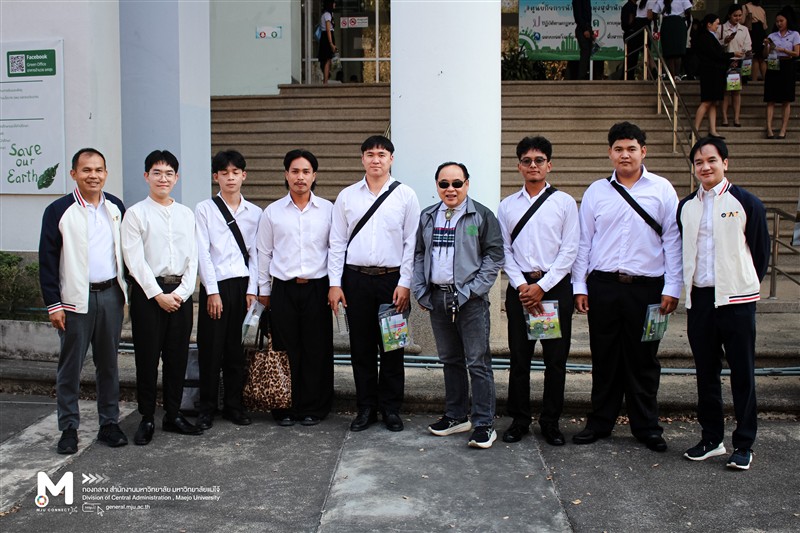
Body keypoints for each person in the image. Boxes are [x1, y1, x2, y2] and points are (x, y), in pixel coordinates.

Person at [571, 122, 682, 452]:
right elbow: (583, 242)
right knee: (604, 357)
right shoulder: (596, 191)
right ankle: (600, 422)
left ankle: (646, 426)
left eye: (632, 149)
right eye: (618, 149)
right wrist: (580, 286)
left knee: (643, 359)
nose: (625, 155)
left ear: (643, 151)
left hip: (648, 289)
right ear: (610, 153)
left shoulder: (662, 189)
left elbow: (673, 241)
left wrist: (673, 287)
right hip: (604, 286)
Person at [677, 137, 769, 470]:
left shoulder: (746, 202)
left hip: (737, 300)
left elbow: (760, 253)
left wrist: (741, 283)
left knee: (742, 372)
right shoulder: (686, 206)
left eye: (711, 160)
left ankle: (744, 443)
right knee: (706, 372)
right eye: (699, 162)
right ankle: (712, 438)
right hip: (700, 299)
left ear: (725, 163)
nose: (705, 167)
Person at [328, 135, 421, 433]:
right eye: (370, 154)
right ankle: (366, 407)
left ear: (391, 159)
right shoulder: (347, 196)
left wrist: (405, 283)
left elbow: (411, 243)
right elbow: (337, 242)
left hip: (391, 281)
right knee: (362, 347)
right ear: (362, 159)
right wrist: (335, 283)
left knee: (393, 347)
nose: (376, 159)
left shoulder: (405, 195)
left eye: (382, 154)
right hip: (355, 280)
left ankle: (391, 408)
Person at [39, 148, 129, 454]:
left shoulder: (115, 207)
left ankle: (109, 423)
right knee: (70, 366)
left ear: (106, 173)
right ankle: (68, 428)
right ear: (74, 174)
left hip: (111, 295)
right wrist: (53, 304)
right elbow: (47, 260)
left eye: (99, 170)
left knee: (109, 364)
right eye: (86, 170)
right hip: (74, 300)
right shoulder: (59, 210)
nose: (93, 175)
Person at [414, 162, 504, 449]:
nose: (450, 189)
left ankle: (484, 423)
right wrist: (421, 290)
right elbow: (419, 254)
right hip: (438, 297)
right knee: (450, 360)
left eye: (456, 183)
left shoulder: (481, 215)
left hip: (470, 300)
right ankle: (456, 416)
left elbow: (494, 256)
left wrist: (473, 290)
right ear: (437, 186)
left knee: (477, 362)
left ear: (467, 184)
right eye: (444, 184)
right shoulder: (428, 216)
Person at [497, 136, 579, 447]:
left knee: (555, 361)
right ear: (519, 166)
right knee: (520, 359)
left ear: (549, 165)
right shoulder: (507, 206)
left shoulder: (564, 203)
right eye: (527, 161)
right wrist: (523, 286)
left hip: (554, 289)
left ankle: (550, 421)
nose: (533, 165)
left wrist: (542, 287)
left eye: (539, 160)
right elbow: (504, 250)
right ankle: (519, 419)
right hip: (520, 290)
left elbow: (570, 250)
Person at [121, 150, 201, 445]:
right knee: (147, 358)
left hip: (180, 295)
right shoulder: (135, 214)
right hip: (148, 295)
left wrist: (181, 293)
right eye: (157, 173)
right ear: (147, 176)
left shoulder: (186, 214)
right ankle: (146, 417)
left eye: (169, 173)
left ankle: (173, 414)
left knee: (177, 358)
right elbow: (134, 260)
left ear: (176, 178)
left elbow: (193, 258)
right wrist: (158, 295)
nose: (163, 178)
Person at [257, 149, 334, 427]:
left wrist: (335, 285)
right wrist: (263, 291)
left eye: (305, 172)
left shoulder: (328, 210)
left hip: (318, 288)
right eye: (295, 171)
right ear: (286, 175)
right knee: (285, 349)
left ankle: (314, 407)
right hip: (283, 290)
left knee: (316, 348)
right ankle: (284, 407)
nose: (300, 177)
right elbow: (263, 253)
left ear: (314, 176)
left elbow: (336, 249)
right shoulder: (272, 212)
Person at [194, 150, 260, 430]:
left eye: (235, 172)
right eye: (224, 173)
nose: (230, 178)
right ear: (216, 177)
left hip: (243, 286)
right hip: (216, 285)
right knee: (211, 349)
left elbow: (257, 255)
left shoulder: (255, 213)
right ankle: (207, 407)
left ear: (244, 175)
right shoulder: (204, 209)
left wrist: (253, 289)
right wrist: (212, 291)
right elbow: (203, 253)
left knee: (236, 349)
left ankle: (235, 405)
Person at [693, 14, 734, 139]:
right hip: (709, 73)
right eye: (716, 23)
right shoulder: (705, 37)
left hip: (714, 73)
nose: (718, 26)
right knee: (706, 102)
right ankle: (695, 129)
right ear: (709, 24)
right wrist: (732, 55)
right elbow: (715, 55)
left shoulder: (711, 36)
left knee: (713, 102)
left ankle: (713, 130)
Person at [762, 8, 800, 139]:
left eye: (781, 21)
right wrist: (766, 46)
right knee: (770, 99)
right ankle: (769, 129)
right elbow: (764, 55)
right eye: (777, 21)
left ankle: (783, 129)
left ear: (787, 21)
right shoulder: (772, 35)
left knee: (786, 99)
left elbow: (797, 53)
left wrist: (784, 50)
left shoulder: (794, 34)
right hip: (773, 64)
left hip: (787, 65)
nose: (779, 23)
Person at [718, 4, 752, 128]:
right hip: (726, 61)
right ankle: (725, 117)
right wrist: (725, 41)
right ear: (729, 15)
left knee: (736, 91)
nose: (737, 18)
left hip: (738, 61)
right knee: (726, 91)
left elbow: (748, 46)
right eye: (735, 15)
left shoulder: (744, 29)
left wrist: (743, 54)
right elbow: (716, 46)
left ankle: (736, 118)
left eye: (739, 15)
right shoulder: (721, 28)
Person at [650, 0, 692, 79]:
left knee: (669, 52)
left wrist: (655, 25)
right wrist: (688, 22)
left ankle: (671, 75)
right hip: (679, 23)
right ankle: (677, 75)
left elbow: (654, 12)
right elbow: (688, 10)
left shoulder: (661, 0)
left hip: (667, 24)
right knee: (678, 51)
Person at [742, 0, 768, 81]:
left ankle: (754, 81)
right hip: (762, 33)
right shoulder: (761, 9)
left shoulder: (746, 6)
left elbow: (742, 21)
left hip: (753, 32)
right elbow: (765, 26)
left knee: (755, 57)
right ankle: (766, 81)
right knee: (761, 58)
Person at [572, 0, 594, 80]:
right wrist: (585, 29)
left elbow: (588, 16)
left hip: (588, 27)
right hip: (582, 28)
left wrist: (590, 31)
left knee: (588, 51)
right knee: (585, 51)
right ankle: (582, 76)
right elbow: (578, 16)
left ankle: (584, 74)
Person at [318, 0, 337, 85]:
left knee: (328, 59)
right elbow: (328, 30)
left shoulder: (329, 14)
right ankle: (325, 81)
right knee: (327, 59)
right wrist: (331, 43)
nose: (334, 4)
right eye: (333, 3)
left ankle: (325, 80)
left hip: (327, 36)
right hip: (327, 37)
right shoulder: (327, 15)